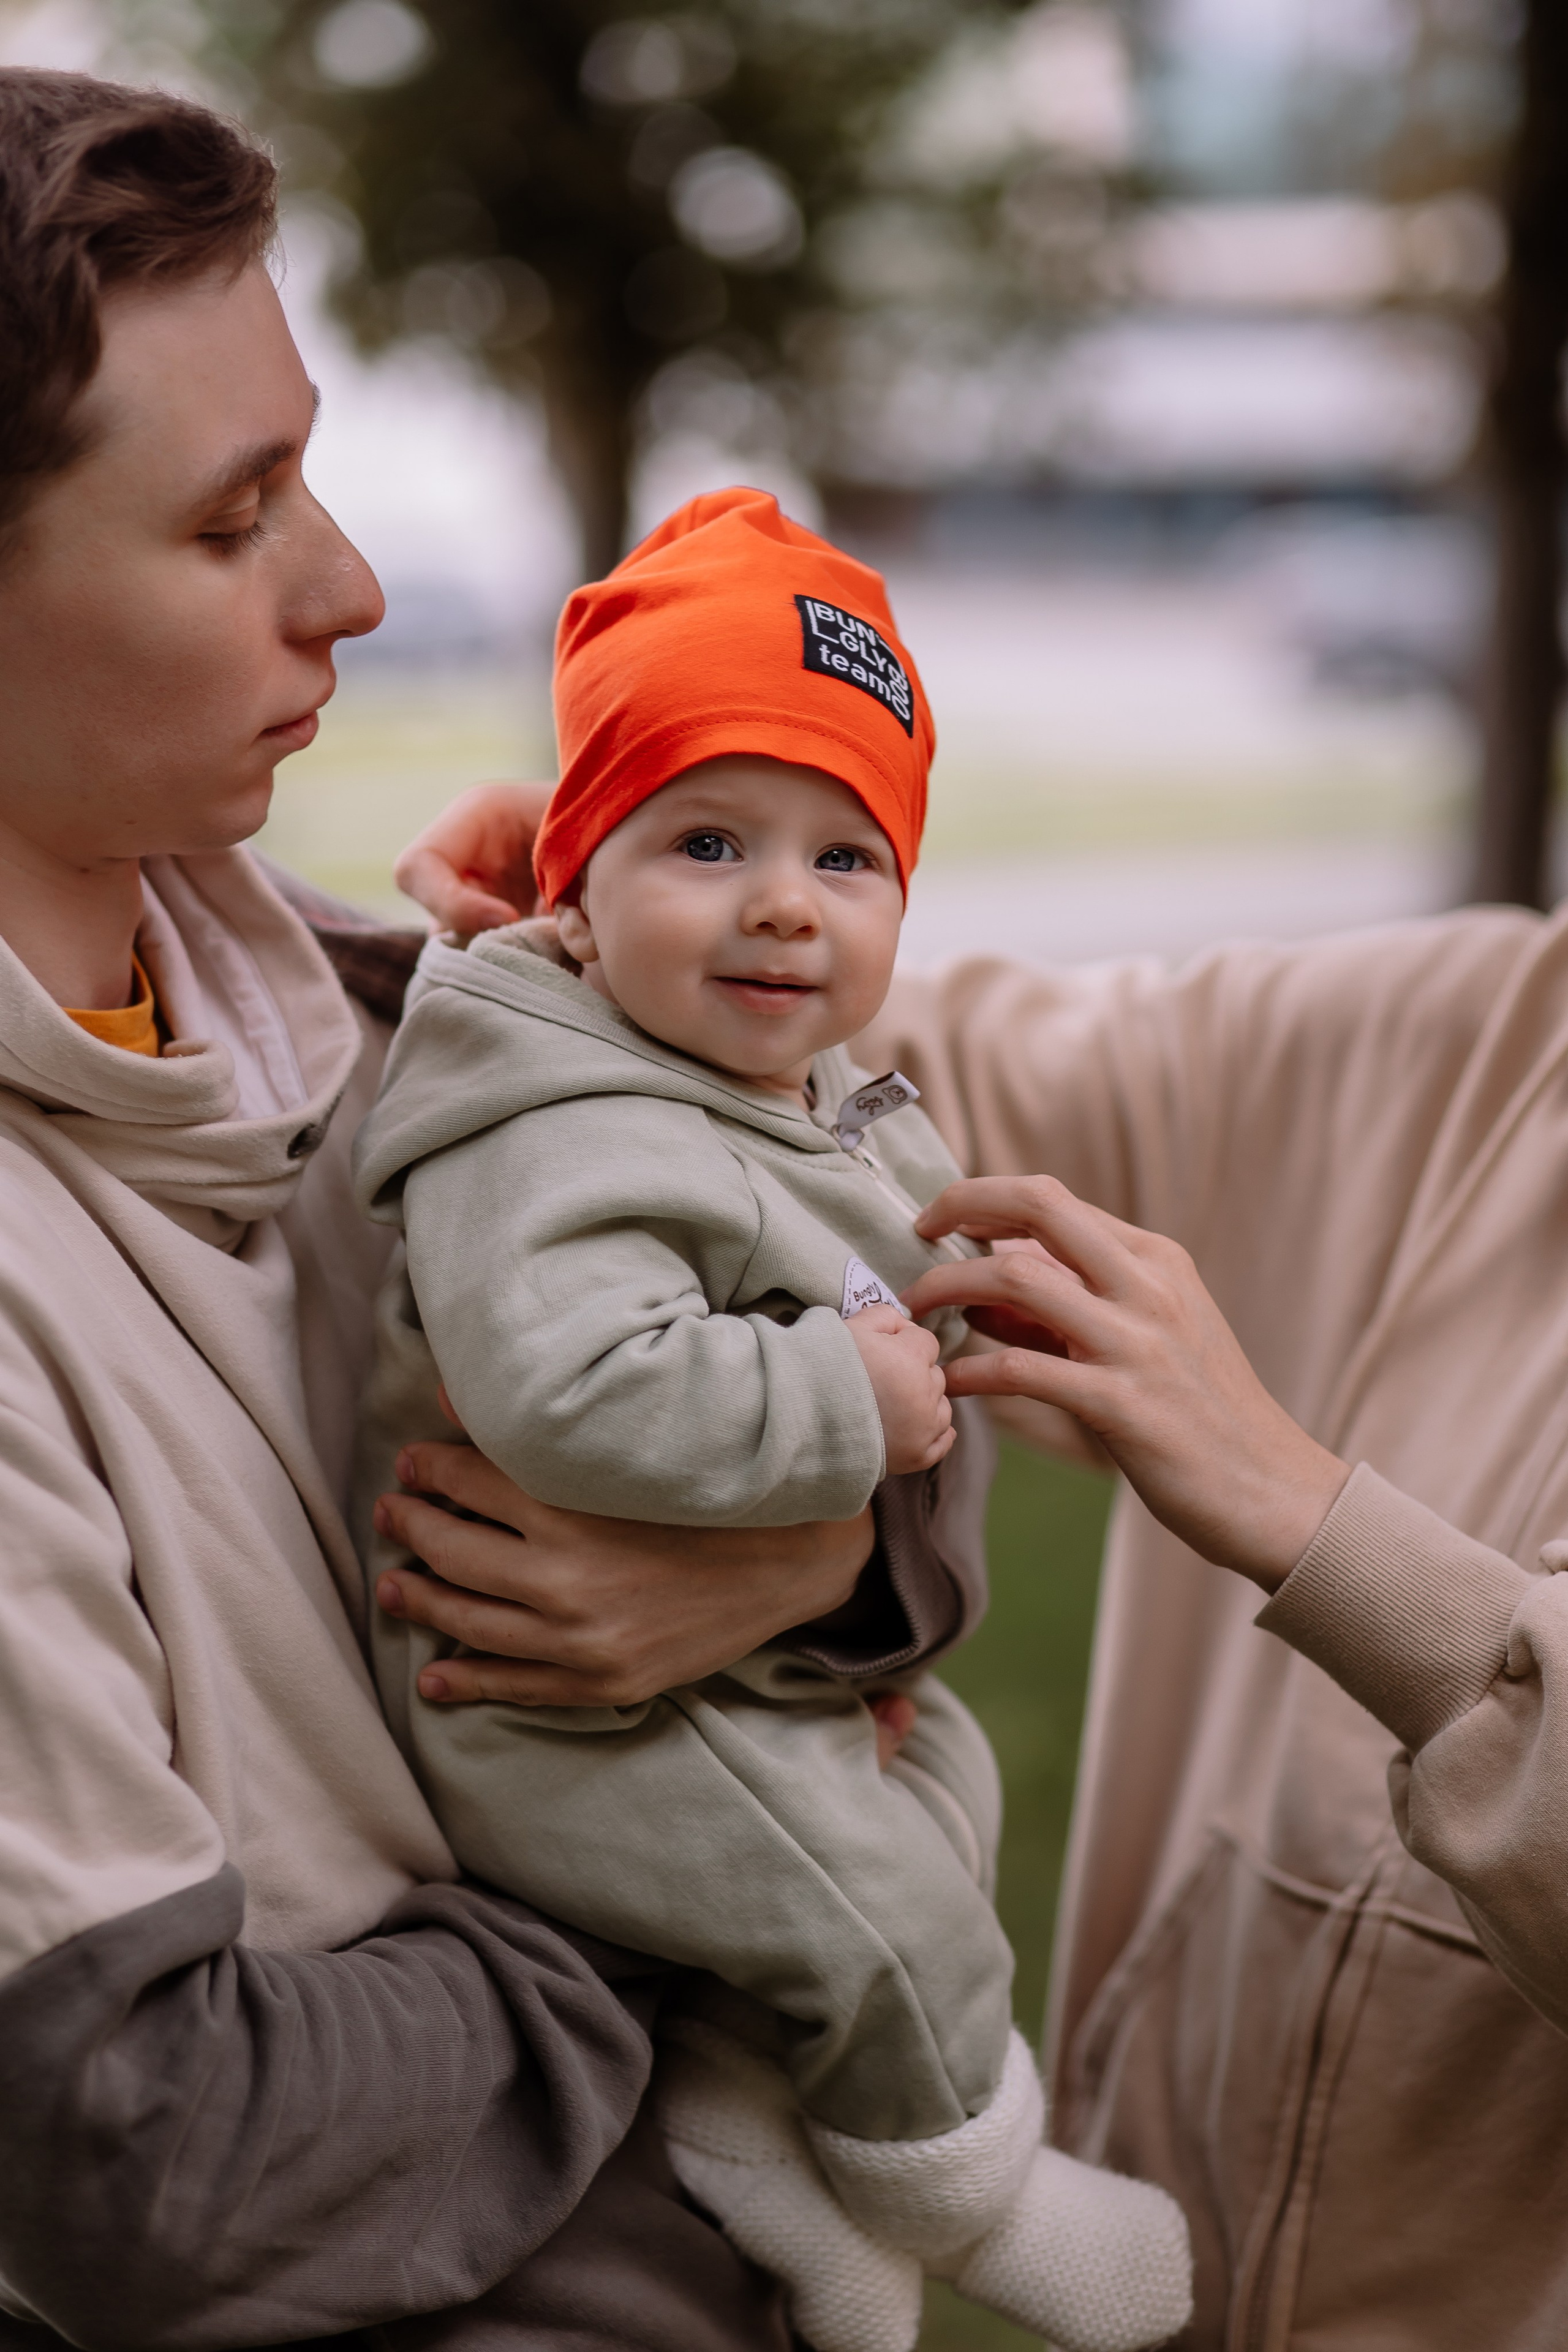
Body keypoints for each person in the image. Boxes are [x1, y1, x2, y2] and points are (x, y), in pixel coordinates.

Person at [0, 71, 982, 2352]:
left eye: (311, 467)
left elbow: (902, 1358)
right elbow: (146, 2147)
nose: (349, 586)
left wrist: (817, 1551)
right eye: (238, 521)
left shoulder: (396, 1006)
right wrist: (707, 1889)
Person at [395, 788, 1568, 2343]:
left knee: (888, 1870)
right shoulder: (1484, 1033)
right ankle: (807, 2123)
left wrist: (1302, 1516)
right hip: (1188, 2231)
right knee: (884, 1846)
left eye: (834, 860)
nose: (789, 902)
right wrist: (597, 907)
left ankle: (952, 2172)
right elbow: (792, 1085)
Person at [351, 488, 1193, 2352]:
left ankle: (750, 2126)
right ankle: (974, 2183)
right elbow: (562, 1385)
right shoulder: (553, 1119)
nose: (781, 904)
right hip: (571, 1706)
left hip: (728, 1667)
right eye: (708, 838)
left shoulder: (756, 1079)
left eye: (848, 855)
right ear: (581, 880)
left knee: (943, 1787)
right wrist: (841, 1391)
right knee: (887, 1909)